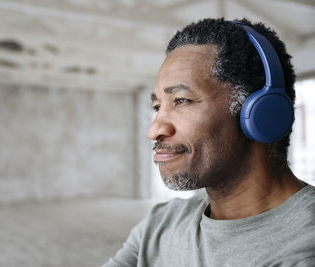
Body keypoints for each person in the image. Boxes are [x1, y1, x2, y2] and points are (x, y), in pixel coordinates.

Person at [103, 18, 315, 267]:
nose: (154, 129)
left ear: (261, 114)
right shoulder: (161, 223)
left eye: (181, 100)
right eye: (157, 106)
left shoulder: (303, 250)